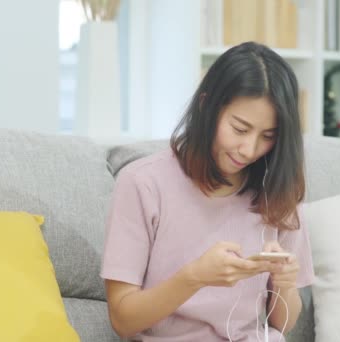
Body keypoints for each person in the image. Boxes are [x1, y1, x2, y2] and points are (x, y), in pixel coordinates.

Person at [100, 41, 315, 342]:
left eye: (268, 136)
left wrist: (285, 283)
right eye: (240, 129)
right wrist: (195, 277)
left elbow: (284, 323)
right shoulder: (143, 184)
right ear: (206, 105)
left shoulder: (277, 193)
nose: (250, 149)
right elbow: (122, 319)